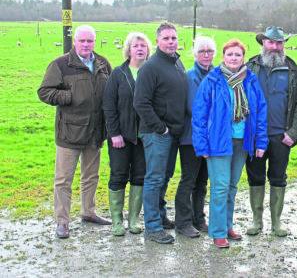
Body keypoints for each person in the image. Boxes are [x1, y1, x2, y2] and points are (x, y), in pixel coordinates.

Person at [38, 24, 112, 239]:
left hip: (95, 131)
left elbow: (112, 91)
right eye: (82, 41)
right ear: (75, 42)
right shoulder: (61, 64)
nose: (86, 45)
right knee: (63, 180)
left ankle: (88, 212)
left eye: (90, 41)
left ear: (94, 42)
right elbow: (44, 92)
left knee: (91, 176)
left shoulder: (103, 63)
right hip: (69, 133)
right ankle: (62, 221)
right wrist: (69, 96)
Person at [192, 38, 268, 249]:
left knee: (232, 186)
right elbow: (199, 114)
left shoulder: (250, 80)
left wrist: (260, 141)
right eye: (229, 54)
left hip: (242, 141)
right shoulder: (212, 80)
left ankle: (227, 225)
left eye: (238, 55)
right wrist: (202, 145)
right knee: (220, 187)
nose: (233, 58)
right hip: (218, 142)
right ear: (223, 57)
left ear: (243, 58)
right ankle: (217, 232)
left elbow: (261, 112)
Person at [133, 22, 189, 244]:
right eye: (166, 38)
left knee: (165, 176)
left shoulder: (177, 63)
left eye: (173, 38)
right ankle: (153, 227)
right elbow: (141, 103)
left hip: (174, 132)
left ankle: (161, 216)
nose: (171, 42)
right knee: (154, 178)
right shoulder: (150, 67)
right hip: (157, 133)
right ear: (156, 41)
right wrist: (161, 127)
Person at [245, 26, 297, 237]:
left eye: (279, 43)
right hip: (254, 136)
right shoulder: (249, 66)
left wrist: (293, 133)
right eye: (271, 42)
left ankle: (276, 222)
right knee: (255, 177)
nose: (275, 47)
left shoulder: (293, 69)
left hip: (281, 136)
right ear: (263, 43)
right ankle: (256, 220)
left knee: (278, 178)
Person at [102, 32, 152, 236]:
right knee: (119, 174)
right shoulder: (118, 74)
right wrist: (114, 133)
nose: (140, 49)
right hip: (120, 136)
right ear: (128, 50)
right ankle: (116, 221)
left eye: (143, 46)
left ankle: (133, 220)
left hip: (145, 137)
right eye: (136, 45)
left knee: (139, 177)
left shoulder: (151, 72)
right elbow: (109, 105)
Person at [175, 36, 217, 238]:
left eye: (209, 51)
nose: (206, 55)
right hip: (191, 137)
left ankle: (198, 218)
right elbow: (193, 107)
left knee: (202, 181)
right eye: (202, 51)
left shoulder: (218, 75)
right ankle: (182, 222)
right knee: (188, 180)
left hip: (211, 138)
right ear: (195, 54)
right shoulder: (188, 76)